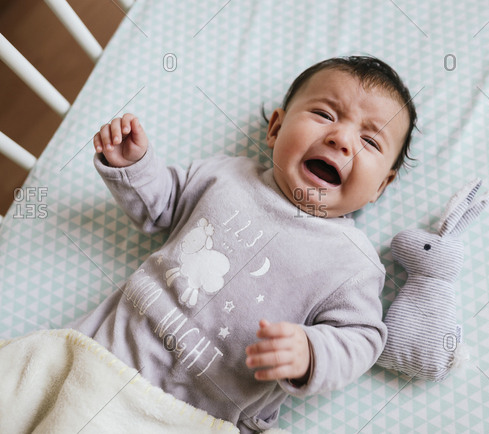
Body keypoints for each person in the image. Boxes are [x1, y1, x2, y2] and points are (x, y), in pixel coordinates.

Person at [73, 56, 417, 433]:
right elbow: (161, 205)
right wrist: (134, 166)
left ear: (381, 185)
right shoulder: (225, 176)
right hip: (108, 356)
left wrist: (311, 352)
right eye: (324, 114)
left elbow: (363, 338)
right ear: (276, 128)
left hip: (203, 414)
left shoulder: (352, 264)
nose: (342, 139)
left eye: (369, 140)